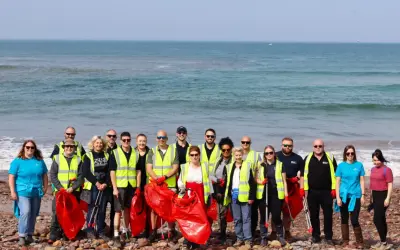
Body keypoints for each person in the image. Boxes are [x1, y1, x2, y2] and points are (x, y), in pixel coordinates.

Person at [8, 140, 48, 246]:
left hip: (36, 192)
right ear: (24, 148)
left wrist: (45, 187)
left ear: (35, 149)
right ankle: (22, 236)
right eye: (27, 147)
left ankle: (29, 235)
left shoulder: (39, 161)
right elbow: (11, 177)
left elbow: (44, 175)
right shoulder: (17, 161)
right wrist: (12, 191)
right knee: (25, 212)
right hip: (22, 192)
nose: (30, 149)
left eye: (32, 147)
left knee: (33, 214)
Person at [146, 130, 180, 242]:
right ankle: (154, 231)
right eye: (159, 137)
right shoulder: (152, 151)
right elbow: (149, 168)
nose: (161, 139)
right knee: (154, 208)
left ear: (167, 139)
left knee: (170, 209)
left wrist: (164, 177)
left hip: (169, 185)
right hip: (155, 185)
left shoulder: (173, 150)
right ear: (156, 139)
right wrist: (156, 179)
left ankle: (171, 231)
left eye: (163, 137)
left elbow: (175, 168)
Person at [302, 139, 337, 244]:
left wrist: (335, 189)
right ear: (313, 147)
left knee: (328, 215)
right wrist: (302, 189)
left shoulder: (330, 157)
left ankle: (328, 237)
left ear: (323, 146)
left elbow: (336, 174)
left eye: (320, 146)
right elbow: (303, 175)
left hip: (327, 192)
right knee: (314, 215)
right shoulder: (308, 158)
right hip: (312, 192)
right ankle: (315, 235)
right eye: (316, 146)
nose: (318, 148)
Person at [109, 132, 141, 247]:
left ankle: (126, 230)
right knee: (118, 211)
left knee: (127, 209)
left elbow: (138, 171)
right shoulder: (115, 153)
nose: (126, 142)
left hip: (131, 186)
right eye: (124, 140)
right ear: (120, 141)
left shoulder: (135, 153)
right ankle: (116, 234)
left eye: (128, 140)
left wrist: (137, 187)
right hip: (120, 186)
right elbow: (112, 172)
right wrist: (114, 188)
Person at [49, 138, 84, 243]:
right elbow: (53, 175)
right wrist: (60, 188)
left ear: (74, 148)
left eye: (71, 147)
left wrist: (72, 188)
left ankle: (68, 232)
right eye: (67, 147)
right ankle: (54, 233)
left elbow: (81, 176)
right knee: (56, 212)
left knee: (71, 212)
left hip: (73, 192)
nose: (69, 148)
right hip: (60, 192)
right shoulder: (57, 158)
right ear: (63, 148)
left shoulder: (78, 160)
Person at [178, 146, 212, 250]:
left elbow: (208, 181)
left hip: (200, 194)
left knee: (199, 217)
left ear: (199, 155)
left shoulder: (204, 166)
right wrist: (181, 188)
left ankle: (197, 240)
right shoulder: (184, 167)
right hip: (188, 195)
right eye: (192, 155)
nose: (194, 157)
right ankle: (188, 238)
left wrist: (210, 195)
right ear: (189, 156)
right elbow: (180, 180)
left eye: (196, 155)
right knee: (188, 217)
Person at [255, 145, 289, 246]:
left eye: (271, 152)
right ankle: (263, 237)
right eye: (267, 153)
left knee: (276, 216)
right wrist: (261, 182)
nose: (269, 155)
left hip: (276, 195)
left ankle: (280, 235)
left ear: (274, 153)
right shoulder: (260, 165)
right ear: (264, 155)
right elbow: (255, 178)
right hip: (263, 195)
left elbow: (284, 181)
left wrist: (286, 194)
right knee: (264, 217)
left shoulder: (280, 164)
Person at [272, 137, 304, 241]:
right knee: (275, 211)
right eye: (285, 145)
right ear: (281, 145)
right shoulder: (275, 156)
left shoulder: (298, 158)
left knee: (287, 212)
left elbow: (302, 175)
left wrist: (301, 187)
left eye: (289, 146)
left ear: (292, 146)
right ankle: (273, 232)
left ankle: (287, 231)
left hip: (291, 188)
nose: (287, 147)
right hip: (277, 187)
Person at [224, 148, 256, 248]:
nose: (238, 157)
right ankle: (239, 238)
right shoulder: (229, 167)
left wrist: (251, 197)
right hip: (234, 196)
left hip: (245, 196)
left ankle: (248, 239)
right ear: (233, 155)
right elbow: (227, 182)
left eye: (239, 155)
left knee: (246, 219)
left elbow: (252, 183)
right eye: (236, 155)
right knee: (237, 219)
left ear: (242, 155)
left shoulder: (247, 166)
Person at [335, 145, 365, 248]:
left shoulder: (359, 165)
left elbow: (361, 180)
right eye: (348, 153)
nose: (350, 155)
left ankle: (360, 241)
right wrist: (338, 197)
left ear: (354, 154)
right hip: (344, 196)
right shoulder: (341, 166)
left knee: (354, 219)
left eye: (352, 153)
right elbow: (337, 182)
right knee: (344, 218)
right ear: (345, 154)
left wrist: (363, 195)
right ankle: (345, 240)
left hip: (356, 195)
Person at [81, 136, 110, 240]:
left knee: (102, 209)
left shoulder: (107, 155)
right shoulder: (88, 155)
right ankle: (90, 230)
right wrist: (97, 183)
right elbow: (86, 172)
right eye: (97, 143)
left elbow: (109, 171)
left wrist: (105, 183)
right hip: (93, 185)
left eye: (101, 143)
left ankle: (100, 231)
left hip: (104, 186)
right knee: (92, 208)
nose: (99, 145)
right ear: (93, 144)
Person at [210, 137, 234, 244]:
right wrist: (218, 180)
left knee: (234, 213)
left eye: (228, 150)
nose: (226, 152)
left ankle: (242, 234)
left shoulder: (234, 160)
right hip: (219, 189)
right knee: (221, 213)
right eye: (224, 150)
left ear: (231, 149)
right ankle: (222, 233)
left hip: (232, 190)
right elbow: (211, 175)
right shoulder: (217, 161)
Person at [370, 149, 393, 250]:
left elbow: (390, 184)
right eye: (374, 160)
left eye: (377, 160)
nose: (376, 162)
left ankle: (383, 242)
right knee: (382, 219)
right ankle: (383, 242)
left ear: (381, 159)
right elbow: (372, 184)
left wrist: (388, 198)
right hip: (375, 195)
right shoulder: (372, 169)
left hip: (383, 195)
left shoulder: (387, 170)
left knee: (377, 219)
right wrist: (371, 197)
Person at [240, 136, 261, 238]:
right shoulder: (237, 154)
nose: (245, 144)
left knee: (253, 211)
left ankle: (252, 231)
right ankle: (242, 233)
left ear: (250, 143)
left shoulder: (255, 155)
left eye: (247, 142)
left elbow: (260, 169)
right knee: (241, 212)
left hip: (252, 187)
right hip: (240, 188)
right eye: (243, 142)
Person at [134, 133, 151, 237]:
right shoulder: (132, 153)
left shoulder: (150, 153)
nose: (142, 143)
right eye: (140, 141)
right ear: (136, 142)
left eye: (143, 141)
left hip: (148, 183)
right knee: (137, 207)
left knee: (148, 207)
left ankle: (147, 230)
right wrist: (137, 186)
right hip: (135, 184)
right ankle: (136, 229)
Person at [104, 129, 117, 237]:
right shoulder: (102, 149)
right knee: (101, 208)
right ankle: (102, 228)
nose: (111, 138)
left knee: (114, 209)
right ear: (106, 136)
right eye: (109, 136)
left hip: (115, 185)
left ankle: (113, 229)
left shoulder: (119, 149)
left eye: (113, 136)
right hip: (104, 185)